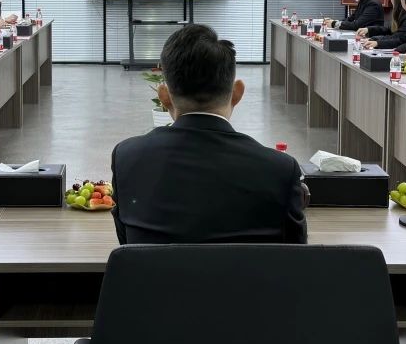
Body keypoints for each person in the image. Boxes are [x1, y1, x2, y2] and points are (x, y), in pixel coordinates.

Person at [110, 24, 308, 245]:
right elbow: (295, 255)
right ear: (237, 93)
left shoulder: (127, 157)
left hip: (156, 270)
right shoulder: (280, 170)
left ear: (164, 97)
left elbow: (127, 245)